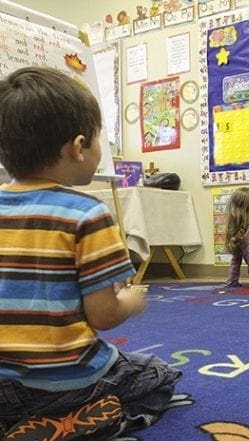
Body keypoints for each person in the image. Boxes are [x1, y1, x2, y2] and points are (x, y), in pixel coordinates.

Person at [0, 66, 182, 440]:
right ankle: (85, 424)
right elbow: (103, 316)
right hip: (65, 382)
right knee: (159, 375)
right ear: (78, 146)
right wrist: (130, 301)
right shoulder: (86, 213)